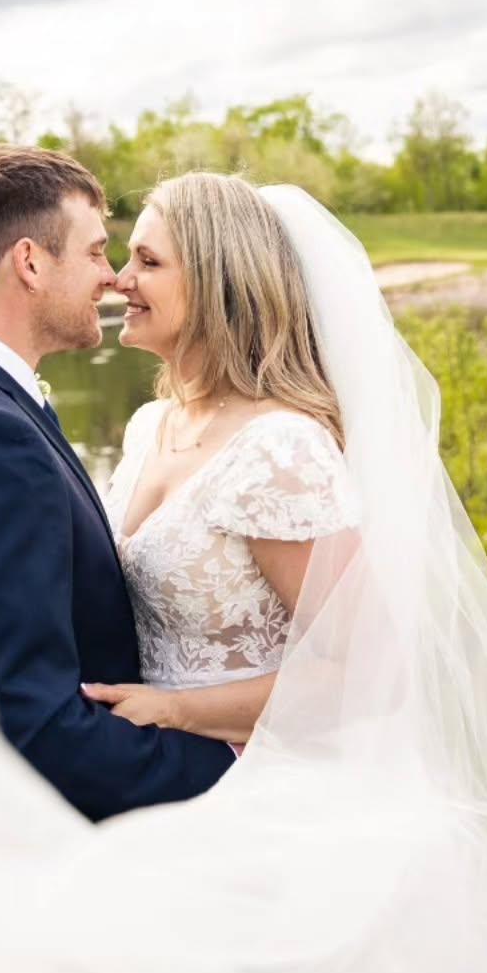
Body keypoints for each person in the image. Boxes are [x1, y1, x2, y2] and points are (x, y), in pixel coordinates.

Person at [0, 143, 234, 820]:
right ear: (31, 262)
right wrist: (229, 767)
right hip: (25, 852)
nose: (113, 277)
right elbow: (34, 727)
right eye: (97, 252)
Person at [81, 173, 359, 741]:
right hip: (149, 765)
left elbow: (361, 669)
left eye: (148, 262)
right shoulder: (148, 427)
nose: (120, 279)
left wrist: (177, 710)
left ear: (219, 284)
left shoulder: (278, 449)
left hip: (258, 772)